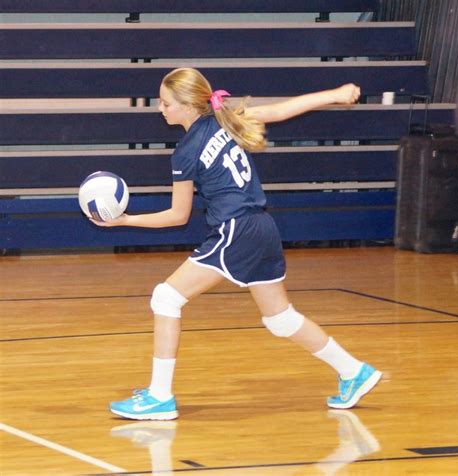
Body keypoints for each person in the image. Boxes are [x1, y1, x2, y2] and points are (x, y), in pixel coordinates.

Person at [91, 67, 382, 420]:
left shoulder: (186, 152)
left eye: (165, 103)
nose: (160, 109)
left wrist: (125, 220)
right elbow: (281, 110)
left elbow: (178, 215)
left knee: (166, 298)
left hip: (236, 230)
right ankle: (354, 371)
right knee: (281, 320)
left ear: (186, 105)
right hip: (262, 227)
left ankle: (159, 396)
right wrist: (334, 94)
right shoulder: (225, 116)